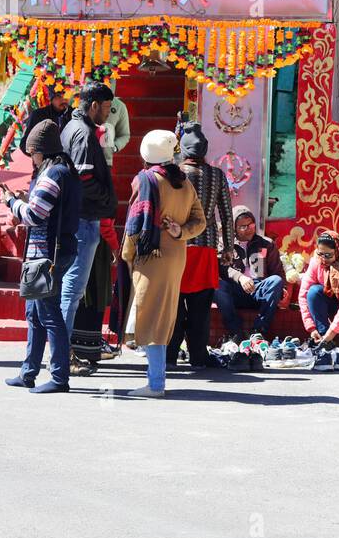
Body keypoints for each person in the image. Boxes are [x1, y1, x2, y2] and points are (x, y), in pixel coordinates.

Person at [121, 130, 206, 398]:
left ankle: (156, 383)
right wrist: (180, 231)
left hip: (150, 256)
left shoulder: (146, 180)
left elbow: (135, 223)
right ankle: (155, 380)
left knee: (151, 316)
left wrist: (126, 254)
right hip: (176, 256)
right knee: (163, 314)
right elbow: (200, 221)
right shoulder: (184, 182)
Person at [2, 121, 81, 394]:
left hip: (47, 253)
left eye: (32, 154)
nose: (32, 160)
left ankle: (59, 377)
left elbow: (34, 215)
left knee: (48, 313)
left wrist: (13, 203)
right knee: (35, 314)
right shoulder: (66, 172)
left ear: (40, 151)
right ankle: (28, 372)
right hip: (59, 250)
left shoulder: (52, 174)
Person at [166, 120, 233, 369]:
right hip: (205, 249)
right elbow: (226, 214)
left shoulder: (173, 172)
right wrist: (228, 248)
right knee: (201, 307)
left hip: (177, 246)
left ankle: (170, 353)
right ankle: (198, 355)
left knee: (174, 303)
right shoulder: (216, 175)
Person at [59, 82, 116, 339]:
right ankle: (63, 350)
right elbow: (84, 177)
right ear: (93, 106)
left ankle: (63, 347)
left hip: (77, 216)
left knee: (70, 288)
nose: (108, 113)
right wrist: (106, 196)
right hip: (84, 217)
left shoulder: (73, 127)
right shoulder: (82, 133)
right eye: (106, 108)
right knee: (73, 289)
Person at [214, 205, 286, 341]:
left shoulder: (266, 244)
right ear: (234, 228)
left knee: (276, 281)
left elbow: (277, 271)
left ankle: (258, 331)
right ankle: (235, 332)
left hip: (257, 291)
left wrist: (284, 290)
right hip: (235, 291)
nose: (248, 229)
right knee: (218, 286)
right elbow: (222, 268)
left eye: (251, 225)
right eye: (243, 226)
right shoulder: (225, 245)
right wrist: (240, 278)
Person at [18, 88, 69, 156]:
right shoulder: (38, 115)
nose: (63, 99)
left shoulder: (72, 114)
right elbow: (24, 144)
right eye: (59, 96)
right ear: (51, 99)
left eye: (66, 95)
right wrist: (41, 158)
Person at [101, 93, 130, 167]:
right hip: (78, 160)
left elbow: (124, 134)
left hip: (105, 161)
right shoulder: (77, 99)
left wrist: (114, 147)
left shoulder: (119, 105)